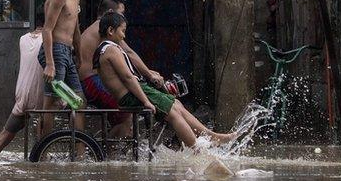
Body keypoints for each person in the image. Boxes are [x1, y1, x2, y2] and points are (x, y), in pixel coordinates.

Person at [94, 12, 238, 148]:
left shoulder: (107, 48)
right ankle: (196, 149)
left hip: (134, 91)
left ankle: (211, 136)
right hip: (131, 95)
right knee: (172, 112)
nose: (124, 36)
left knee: (175, 103)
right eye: (122, 31)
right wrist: (146, 101)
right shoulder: (110, 49)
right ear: (111, 31)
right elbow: (128, 78)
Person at [77, 0, 164, 137]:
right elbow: (129, 52)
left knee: (120, 117)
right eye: (121, 14)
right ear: (111, 14)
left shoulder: (95, 27)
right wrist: (149, 74)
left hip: (90, 82)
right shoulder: (104, 28)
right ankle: (108, 155)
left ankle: (109, 148)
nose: (123, 18)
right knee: (128, 113)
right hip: (92, 82)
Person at [0, 8, 46, 158]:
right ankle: (41, 160)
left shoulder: (23, 39)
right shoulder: (50, 40)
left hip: (22, 92)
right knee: (43, 128)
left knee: (6, 133)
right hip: (39, 92)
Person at [38, 0, 86, 131]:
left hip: (67, 52)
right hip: (55, 52)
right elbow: (47, 29)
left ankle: (80, 152)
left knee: (79, 102)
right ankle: (43, 152)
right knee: (50, 104)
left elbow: (76, 29)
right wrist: (50, 64)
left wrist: (79, 55)